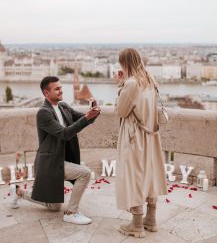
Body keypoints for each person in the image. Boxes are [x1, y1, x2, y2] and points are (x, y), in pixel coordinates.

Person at [9, 76, 101, 225]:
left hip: (61, 159)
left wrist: (93, 112)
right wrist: (86, 118)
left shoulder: (63, 106)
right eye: (57, 89)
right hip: (50, 163)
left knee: (53, 206)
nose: (60, 91)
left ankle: (19, 192)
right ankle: (71, 213)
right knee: (84, 173)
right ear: (46, 93)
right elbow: (65, 133)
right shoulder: (44, 113)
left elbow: (83, 119)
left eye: (61, 88)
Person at [114, 48, 168, 238]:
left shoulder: (131, 83)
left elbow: (121, 111)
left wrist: (119, 85)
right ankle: (151, 220)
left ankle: (136, 225)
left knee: (134, 176)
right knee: (150, 174)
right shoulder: (150, 80)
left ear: (125, 63)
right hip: (151, 136)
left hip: (134, 136)